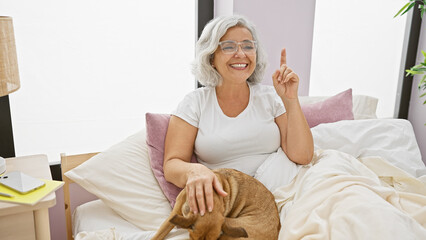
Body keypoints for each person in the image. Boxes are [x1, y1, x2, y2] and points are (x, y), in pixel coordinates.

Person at [163, 15, 313, 217]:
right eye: (229, 46)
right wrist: (194, 171)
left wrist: (291, 100)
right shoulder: (195, 103)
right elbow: (172, 164)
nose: (241, 53)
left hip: (288, 191)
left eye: (248, 46)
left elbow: (302, 156)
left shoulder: (271, 97)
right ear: (211, 57)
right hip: (235, 204)